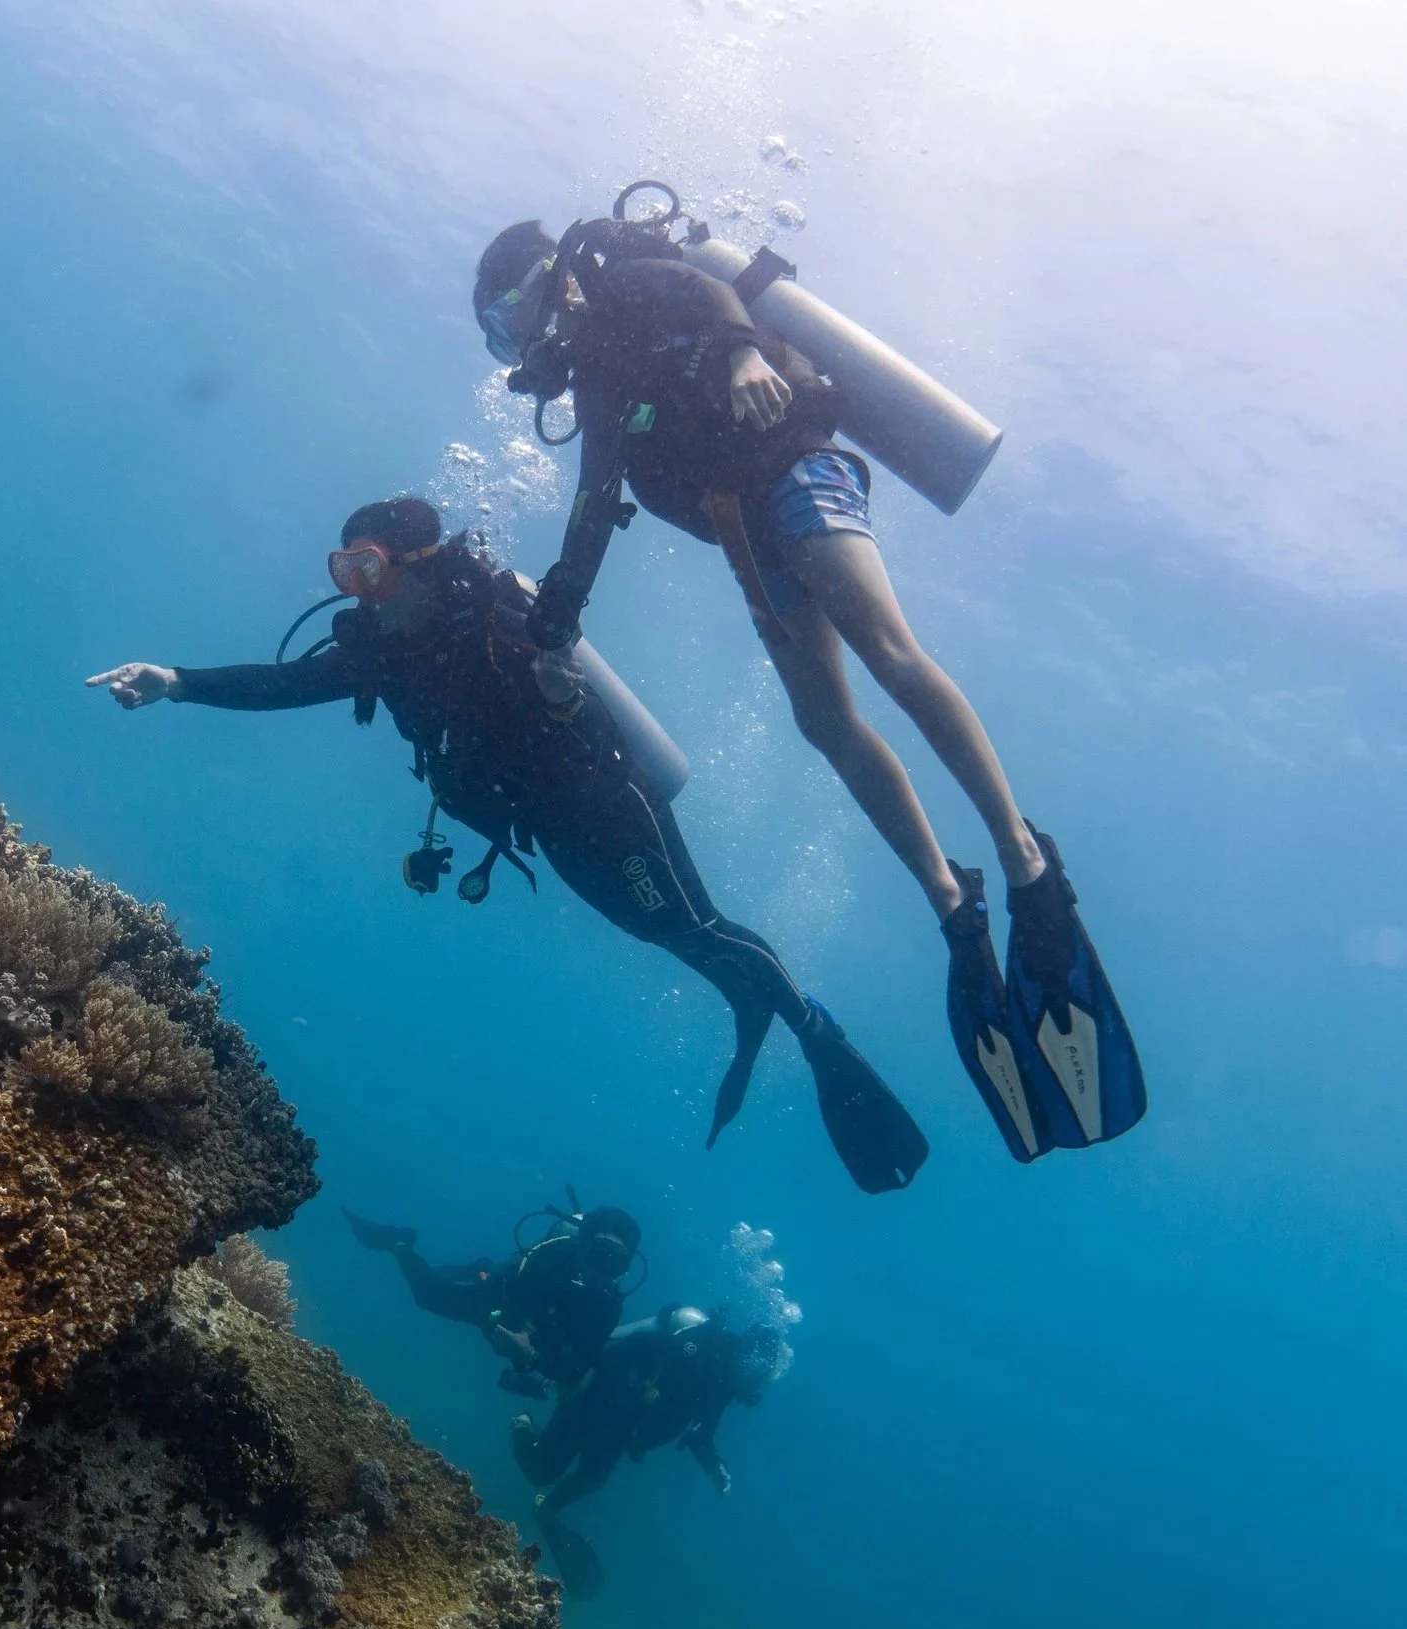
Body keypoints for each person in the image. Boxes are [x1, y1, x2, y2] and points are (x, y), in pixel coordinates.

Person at [472, 213, 1144, 1164]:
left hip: (797, 472)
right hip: (748, 535)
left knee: (885, 649)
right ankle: (952, 901)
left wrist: (746, 354)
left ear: (545, 285)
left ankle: (1025, 858)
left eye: (511, 319)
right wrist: (556, 622)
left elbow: (706, 292)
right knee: (823, 721)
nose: (520, 346)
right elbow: (593, 509)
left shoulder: (620, 279)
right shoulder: (600, 376)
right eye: (502, 339)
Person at [88, 496, 927, 1193]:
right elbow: (285, 684)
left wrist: (561, 701)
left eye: (372, 568)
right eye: (347, 571)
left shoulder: (503, 620)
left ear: (416, 560)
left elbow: (588, 723)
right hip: (551, 833)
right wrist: (179, 682)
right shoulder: (378, 649)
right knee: (665, 934)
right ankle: (749, 1002)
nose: (359, 591)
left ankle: (816, 1031)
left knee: (698, 927)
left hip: (608, 806)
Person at [524, 1305, 786, 1596]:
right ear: (747, 1357)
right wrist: (592, 1382)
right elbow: (622, 1350)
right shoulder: (699, 1345)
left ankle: (546, 1509)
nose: (749, 1389)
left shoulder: (722, 1383)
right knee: (540, 1471)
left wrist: (714, 1465)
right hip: (596, 1401)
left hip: (623, 1431)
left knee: (591, 1479)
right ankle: (522, 1424)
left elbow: (702, 1432)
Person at [340, 1199, 638, 1400]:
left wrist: (532, 1357)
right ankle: (400, 1243)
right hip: (502, 1299)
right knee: (426, 1295)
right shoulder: (553, 1256)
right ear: (584, 1246)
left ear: (625, 1266)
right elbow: (513, 1300)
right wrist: (522, 1343)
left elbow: (576, 1370)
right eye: (600, 1254)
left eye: (616, 1262)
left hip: (538, 1333)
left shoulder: (610, 1302)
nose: (603, 1270)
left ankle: (471, 1268)